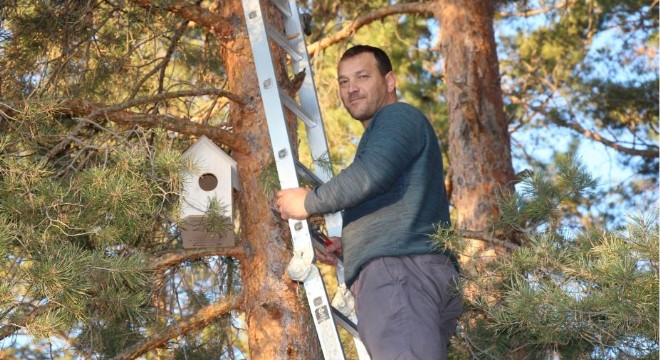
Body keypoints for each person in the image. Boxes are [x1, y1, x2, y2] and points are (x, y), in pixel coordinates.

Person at [276, 45, 462, 360]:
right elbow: (394, 196)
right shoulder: (390, 130)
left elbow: (371, 175)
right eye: (344, 82)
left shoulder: (397, 116)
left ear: (390, 81)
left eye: (362, 76)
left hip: (400, 274)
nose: (352, 89)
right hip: (414, 273)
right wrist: (350, 243)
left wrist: (309, 202)